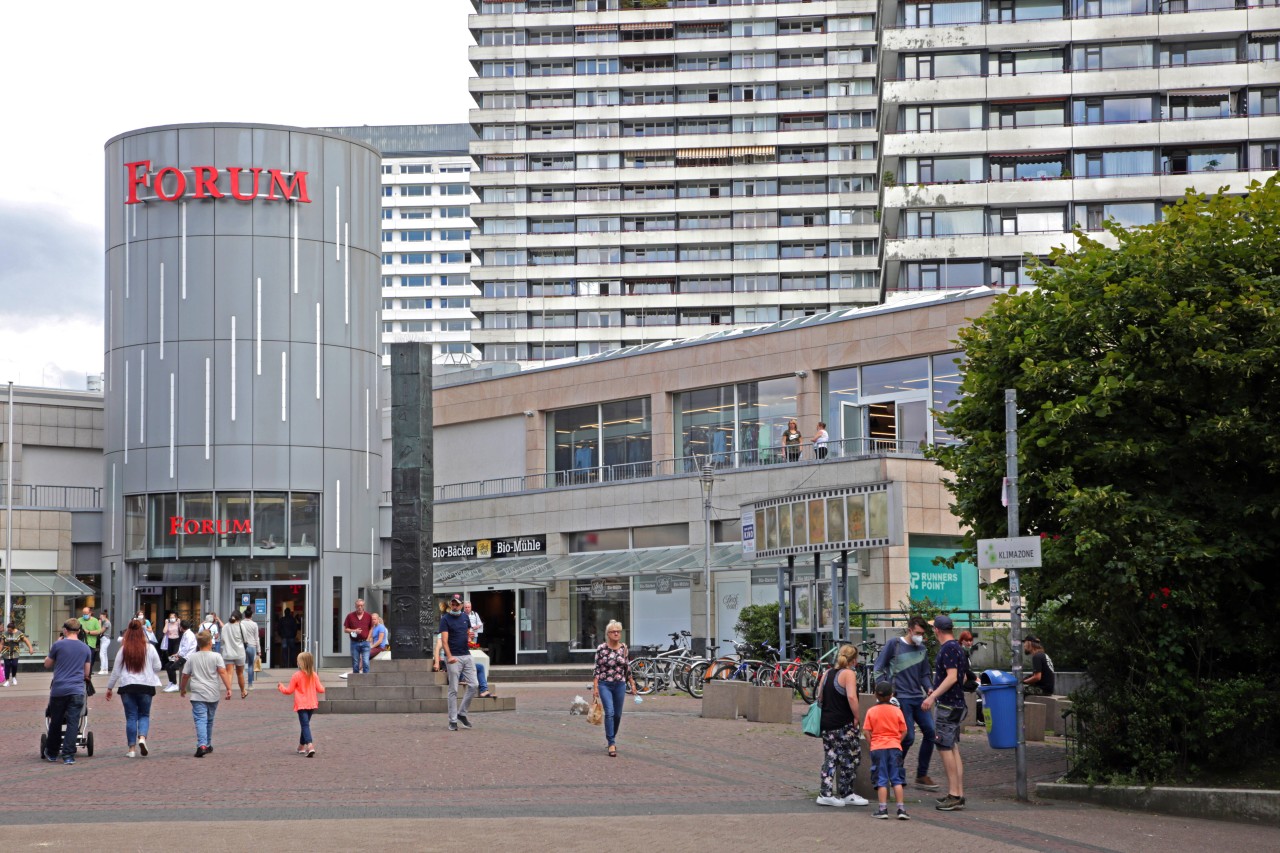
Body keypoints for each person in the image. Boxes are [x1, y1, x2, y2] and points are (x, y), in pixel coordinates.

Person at [873, 616, 939, 790]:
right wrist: (884, 690)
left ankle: (921, 774)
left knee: (931, 733)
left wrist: (930, 689)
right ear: (910, 630)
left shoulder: (922, 649)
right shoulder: (894, 645)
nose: (920, 637)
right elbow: (878, 667)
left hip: (918, 697)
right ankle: (896, 771)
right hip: (900, 698)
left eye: (923, 634)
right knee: (907, 737)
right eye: (918, 633)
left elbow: (924, 673)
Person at [922, 614, 970, 811]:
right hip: (957, 703)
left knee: (944, 747)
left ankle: (953, 794)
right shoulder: (958, 648)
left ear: (937, 630)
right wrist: (939, 688)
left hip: (947, 706)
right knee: (953, 747)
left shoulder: (948, 648)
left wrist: (933, 696)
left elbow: (951, 677)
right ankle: (958, 792)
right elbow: (963, 677)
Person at [814, 643, 868, 807]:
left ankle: (831, 792)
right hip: (844, 723)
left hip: (827, 722)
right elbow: (852, 697)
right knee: (850, 757)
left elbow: (820, 697)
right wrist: (858, 717)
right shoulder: (848, 674)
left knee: (831, 756)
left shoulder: (828, 673)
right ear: (854, 659)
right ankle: (838, 793)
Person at [104, 619, 163, 757]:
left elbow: (116, 671)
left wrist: (109, 688)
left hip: (127, 685)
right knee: (144, 714)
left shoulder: (124, 649)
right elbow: (158, 667)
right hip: (146, 685)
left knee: (131, 717)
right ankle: (142, 738)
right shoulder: (150, 648)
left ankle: (131, 749)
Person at [43, 619, 93, 764]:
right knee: (73, 723)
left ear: (65, 630)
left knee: (56, 721)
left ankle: (52, 753)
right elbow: (87, 672)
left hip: (59, 689)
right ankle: (68, 755)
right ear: (78, 631)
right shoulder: (85, 648)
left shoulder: (58, 645)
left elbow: (47, 664)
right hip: (77, 690)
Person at [180, 629, 232, 758]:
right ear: (210, 642)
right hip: (213, 693)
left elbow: (185, 675)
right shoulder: (216, 656)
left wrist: (182, 688)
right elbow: (223, 672)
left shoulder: (192, 657)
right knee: (209, 719)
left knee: (200, 719)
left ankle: (202, 745)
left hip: (197, 693)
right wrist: (228, 688)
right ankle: (207, 744)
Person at [864, 681, 910, 820]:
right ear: (892, 695)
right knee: (897, 779)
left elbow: (866, 731)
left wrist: (872, 743)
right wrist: (897, 741)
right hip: (894, 747)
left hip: (878, 747)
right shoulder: (897, 711)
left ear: (875, 695)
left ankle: (883, 809)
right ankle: (901, 809)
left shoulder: (871, 711)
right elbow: (904, 731)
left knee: (881, 779)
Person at [592, 620, 637, 758]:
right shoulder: (601, 648)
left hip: (620, 684)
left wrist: (632, 683)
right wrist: (595, 687)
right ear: (608, 634)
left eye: (619, 631)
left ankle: (612, 735)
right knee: (610, 712)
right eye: (613, 631)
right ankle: (611, 742)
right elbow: (597, 669)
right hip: (605, 684)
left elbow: (627, 667)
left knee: (617, 715)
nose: (617, 633)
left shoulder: (624, 648)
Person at [440, 594, 478, 731]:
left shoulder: (465, 617)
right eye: (453, 604)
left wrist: (470, 637)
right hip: (453, 657)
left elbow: (467, 633)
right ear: (451, 604)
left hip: (466, 655)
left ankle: (461, 713)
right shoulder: (445, 619)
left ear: (461, 605)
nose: (455, 606)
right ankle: (452, 720)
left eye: (457, 604)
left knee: (474, 685)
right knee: (453, 689)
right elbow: (444, 641)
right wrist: (449, 657)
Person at [278, 651, 325, 756]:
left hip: (301, 705)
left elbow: (288, 691)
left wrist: (281, 687)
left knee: (305, 725)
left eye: (298, 661)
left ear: (301, 663)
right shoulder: (314, 675)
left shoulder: (296, 675)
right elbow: (321, 689)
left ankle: (310, 745)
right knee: (305, 725)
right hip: (312, 704)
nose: (297, 662)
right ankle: (301, 746)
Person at [220, 610, 250, 698]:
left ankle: (229, 692)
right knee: (240, 673)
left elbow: (223, 639)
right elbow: (245, 640)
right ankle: (243, 691)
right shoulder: (241, 626)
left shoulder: (225, 627)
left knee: (229, 673)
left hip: (228, 653)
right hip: (240, 653)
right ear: (239, 618)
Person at [959, 630, 985, 726]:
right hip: (963, 681)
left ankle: (979, 716)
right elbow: (966, 670)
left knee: (981, 691)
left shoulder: (965, 652)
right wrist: (976, 678)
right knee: (982, 690)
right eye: (967, 640)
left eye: (970, 640)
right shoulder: (962, 652)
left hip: (966, 680)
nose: (969, 643)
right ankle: (979, 716)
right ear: (962, 641)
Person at [164, 619, 197, 693]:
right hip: (181, 654)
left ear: (181, 627)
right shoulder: (185, 634)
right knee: (167, 664)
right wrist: (176, 654)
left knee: (172, 667)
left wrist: (178, 655)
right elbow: (182, 647)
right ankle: (171, 682)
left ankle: (175, 685)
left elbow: (186, 648)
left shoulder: (189, 635)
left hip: (186, 656)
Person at [342, 598, 372, 677]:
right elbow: (345, 630)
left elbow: (372, 628)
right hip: (354, 643)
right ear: (355, 606)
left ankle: (366, 680)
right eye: (358, 605)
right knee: (355, 663)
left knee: (365, 662)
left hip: (365, 642)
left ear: (364, 606)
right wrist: (354, 630)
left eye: (361, 605)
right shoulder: (350, 616)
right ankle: (356, 680)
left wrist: (369, 638)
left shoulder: (368, 616)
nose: (360, 607)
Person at [3, 621, 34, 686]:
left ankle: (14, 677)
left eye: (10, 630)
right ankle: (7, 680)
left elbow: (26, 640)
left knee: (14, 664)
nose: (9, 631)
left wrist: (30, 648)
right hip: (6, 652)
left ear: (14, 629)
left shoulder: (19, 633)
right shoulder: (4, 634)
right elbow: (1, 643)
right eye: (8, 630)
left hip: (15, 651)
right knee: (7, 666)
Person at [158, 611, 182, 687]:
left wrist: (179, 623)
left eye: (173, 617)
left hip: (176, 642)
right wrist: (166, 623)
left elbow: (181, 630)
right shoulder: (168, 624)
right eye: (170, 617)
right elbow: (164, 631)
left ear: (176, 617)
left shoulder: (178, 623)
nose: (172, 618)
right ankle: (171, 682)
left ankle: (173, 682)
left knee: (172, 662)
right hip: (169, 642)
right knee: (169, 663)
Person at [241, 609, 261, 686]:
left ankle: (242, 683)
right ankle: (250, 684)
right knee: (250, 665)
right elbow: (257, 638)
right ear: (251, 615)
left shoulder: (241, 623)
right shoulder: (254, 624)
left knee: (241, 665)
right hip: (252, 645)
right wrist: (259, 650)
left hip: (243, 646)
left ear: (244, 615)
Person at [97, 611, 113, 675]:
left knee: (102, 654)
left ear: (104, 615)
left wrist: (99, 623)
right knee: (104, 654)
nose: (100, 618)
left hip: (105, 639)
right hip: (105, 639)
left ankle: (102, 669)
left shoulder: (106, 623)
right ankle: (105, 669)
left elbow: (100, 631)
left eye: (101, 616)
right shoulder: (106, 622)